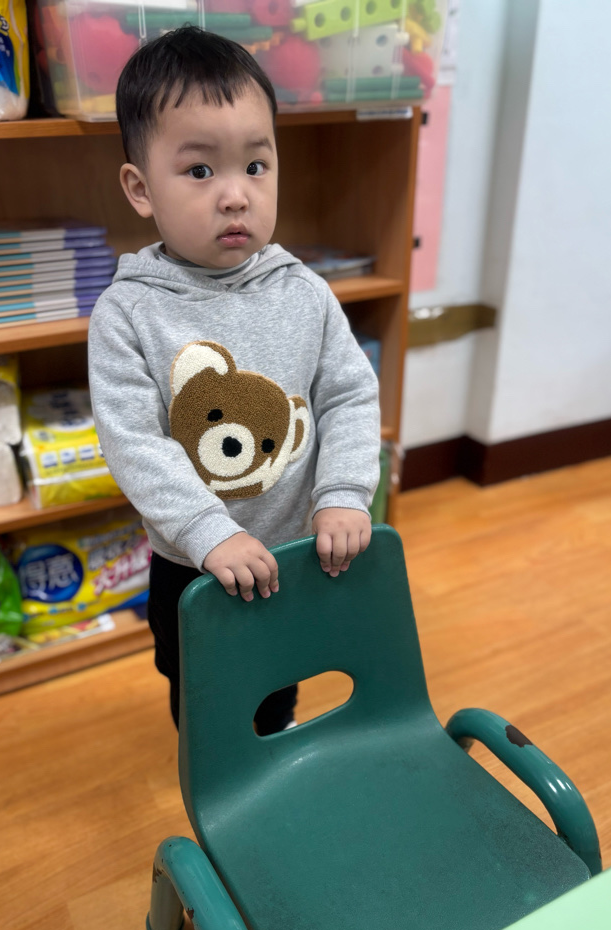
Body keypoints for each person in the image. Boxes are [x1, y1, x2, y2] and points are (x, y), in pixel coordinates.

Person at [88, 27, 381, 734]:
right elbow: (135, 442)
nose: (235, 196)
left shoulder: (304, 291)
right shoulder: (128, 313)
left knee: (279, 686)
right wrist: (208, 532)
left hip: (294, 554)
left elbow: (348, 394)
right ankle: (216, 779)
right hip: (193, 563)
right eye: (199, 171)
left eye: (255, 165)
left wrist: (344, 492)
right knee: (205, 706)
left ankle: (272, 758)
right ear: (140, 188)